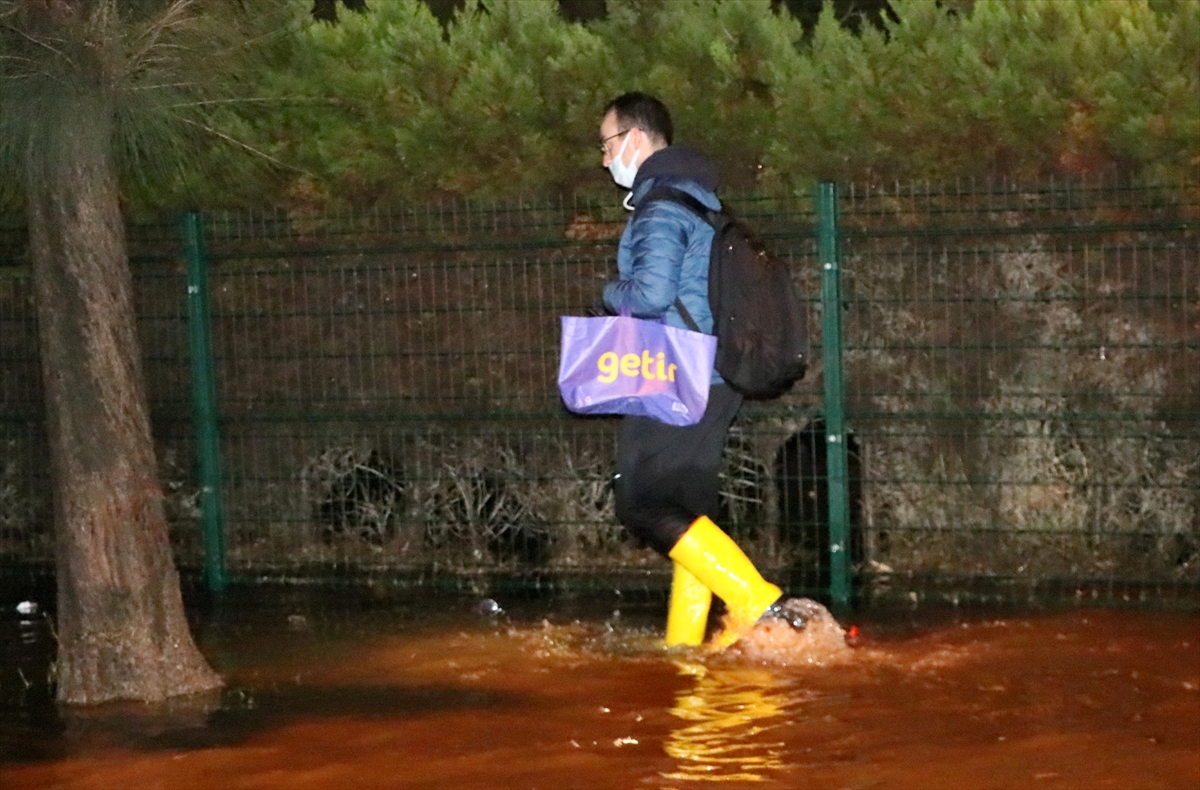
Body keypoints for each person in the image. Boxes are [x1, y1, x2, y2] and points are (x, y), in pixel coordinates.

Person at [598, 92, 802, 650]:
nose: (604, 159)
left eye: (607, 144)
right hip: (713, 372)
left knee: (642, 504)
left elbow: (651, 293)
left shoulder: (662, 205)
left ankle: (764, 605)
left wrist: (607, 291)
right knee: (689, 515)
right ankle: (684, 647)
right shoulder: (702, 201)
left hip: (674, 371)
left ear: (634, 140)